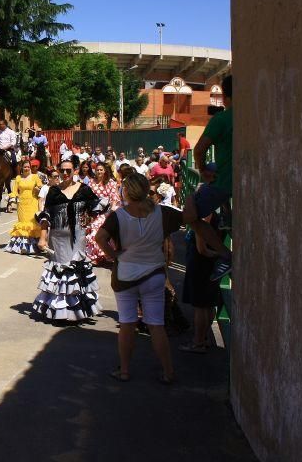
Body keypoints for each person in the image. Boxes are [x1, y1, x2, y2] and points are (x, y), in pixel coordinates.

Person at [94, 172, 183, 384]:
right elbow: (188, 216)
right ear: (146, 190)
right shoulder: (162, 213)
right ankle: (168, 372)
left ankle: (124, 370)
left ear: (126, 191)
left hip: (126, 274)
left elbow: (100, 238)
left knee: (127, 323)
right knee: (156, 325)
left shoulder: (119, 215)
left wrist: (113, 255)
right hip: (153, 274)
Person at [31, 159, 108, 322]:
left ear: (75, 170)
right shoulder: (53, 192)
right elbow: (46, 217)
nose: (65, 173)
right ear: (58, 171)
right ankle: (60, 311)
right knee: (60, 272)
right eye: (62, 170)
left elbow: (96, 208)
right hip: (57, 239)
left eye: (68, 170)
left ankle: (77, 311)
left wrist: (88, 222)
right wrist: (43, 238)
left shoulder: (84, 189)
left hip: (78, 238)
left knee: (75, 271)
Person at [184, 75, 234, 280]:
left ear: (224, 96)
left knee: (190, 216)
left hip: (225, 182)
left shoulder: (222, 119)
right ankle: (226, 215)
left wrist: (203, 169)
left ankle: (225, 255)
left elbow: (199, 150)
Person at [179, 164, 223, 354]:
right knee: (208, 303)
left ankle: (198, 341)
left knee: (200, 305)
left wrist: (218, 255)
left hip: (201, 261)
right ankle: (203, 338)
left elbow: (201, 247)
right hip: (210, 261)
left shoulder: (205, 212)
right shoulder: (220, 201)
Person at [3, 161, 44, 255]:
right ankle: (23, 247)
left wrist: (38, 189)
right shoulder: (18, 178)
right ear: (22, 168)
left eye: (28, 167)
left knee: (32, 223)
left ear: (30, 167)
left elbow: (42, 189)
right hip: (21, 204)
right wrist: (10, 202)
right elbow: (14, 192)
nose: (26, 168)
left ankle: (34, 246)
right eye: (25, 167)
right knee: (23, 223)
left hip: (33, 203)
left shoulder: (35, 177)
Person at [86, 163, 121, 265]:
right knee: (91, 228)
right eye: (97, 170)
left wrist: (112, 210)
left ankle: (104, 255)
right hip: (93, 211)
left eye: (101, 170)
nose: (99, 172)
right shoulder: (91, 182)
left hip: (107, 211)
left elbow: (114, 197)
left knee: (96, 229)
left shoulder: (110, 182)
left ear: (105, 171)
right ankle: (97, 256)